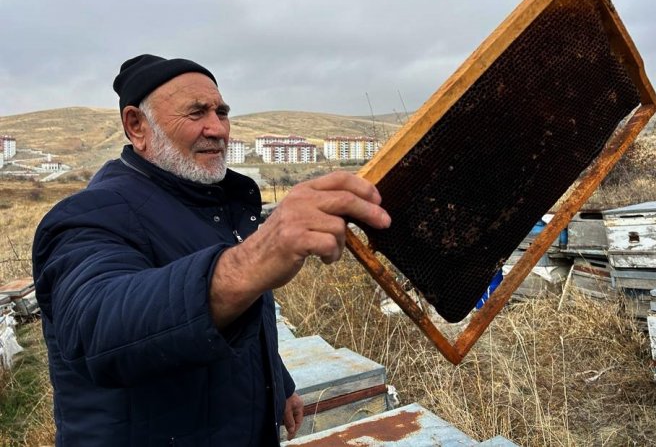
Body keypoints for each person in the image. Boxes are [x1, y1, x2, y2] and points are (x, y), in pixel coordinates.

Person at [32, 54, 391, 446]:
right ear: (137, 126)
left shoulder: (210, 209)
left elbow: (240, 321)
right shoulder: (88, 215)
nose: (217, 128)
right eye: (197, 112)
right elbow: (98, 325)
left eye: (222, 112)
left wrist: (278, 385)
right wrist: (254, 260)